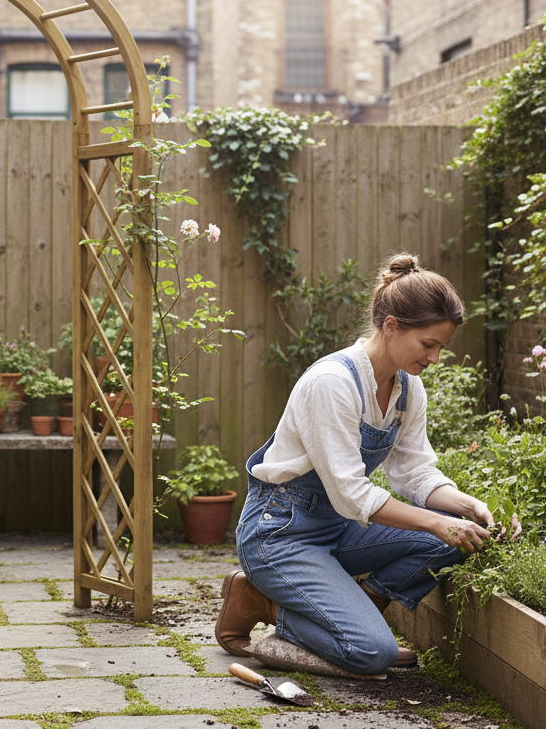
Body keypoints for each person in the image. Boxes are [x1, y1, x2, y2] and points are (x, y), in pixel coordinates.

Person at [215, 253, 522, 676]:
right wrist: (435, 521)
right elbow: (351, 493)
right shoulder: (333, 383)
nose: (434, 358)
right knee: (372, 654)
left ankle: (360, 616)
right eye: (427, 344)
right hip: (280, 533)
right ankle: (260, 601)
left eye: (440, 347)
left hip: (340, 529)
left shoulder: (407, 390)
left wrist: (465, 507)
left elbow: (415, 473)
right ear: (391, 326)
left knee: (454, 538)